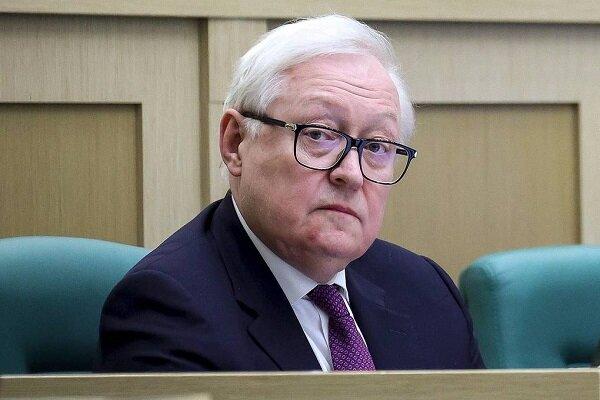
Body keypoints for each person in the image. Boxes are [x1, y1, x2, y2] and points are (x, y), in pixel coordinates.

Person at [98, 14, 485, 372]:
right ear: (236, 143)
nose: (352, 174)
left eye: (376, 146)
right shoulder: (165, 309)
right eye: (319, 134)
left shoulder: (426, 290)